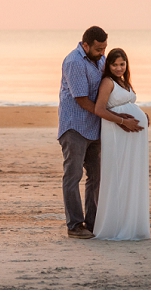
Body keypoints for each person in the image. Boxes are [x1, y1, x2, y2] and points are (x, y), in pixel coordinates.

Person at [58, 27, 142, 239]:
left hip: (96, 127)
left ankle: (93, 223)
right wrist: (118, 119)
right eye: (98, 48)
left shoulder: (100, 60)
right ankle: (75, 225)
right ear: (85, 45)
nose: (103, 52)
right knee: (73, 175)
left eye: (104, 48)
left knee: (96, 176)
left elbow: (110, 89)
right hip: (74, 127)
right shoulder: (74, 62)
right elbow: (83, 100)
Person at [92, 48, 151, 241]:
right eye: (115, 64)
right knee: (119, 175)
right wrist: (125, 122)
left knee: (133, 175)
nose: (119, 68)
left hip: (132, 137)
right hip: (117, 133)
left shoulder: (124, 82)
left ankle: (133, 223)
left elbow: (127, 104)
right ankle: (117, 225)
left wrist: (142, 115)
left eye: (122, 64)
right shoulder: (107, 82)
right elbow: (99, 109)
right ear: (108, 66)